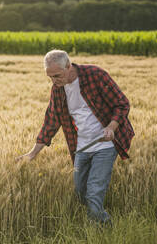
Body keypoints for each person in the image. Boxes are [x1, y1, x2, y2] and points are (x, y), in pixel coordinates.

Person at [16, 50, 135, 226]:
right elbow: (51, 121)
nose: (54, 81)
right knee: (80, 192)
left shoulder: (95, 75)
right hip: (81, 147)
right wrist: (33, 153)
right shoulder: (58, 90)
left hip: (105, 145)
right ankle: (101, 220)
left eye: (57, 75)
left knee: (94, 192)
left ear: (69, 66)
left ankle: (101, 229)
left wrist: (111, 127)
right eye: (50, 77)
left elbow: (122, 104)